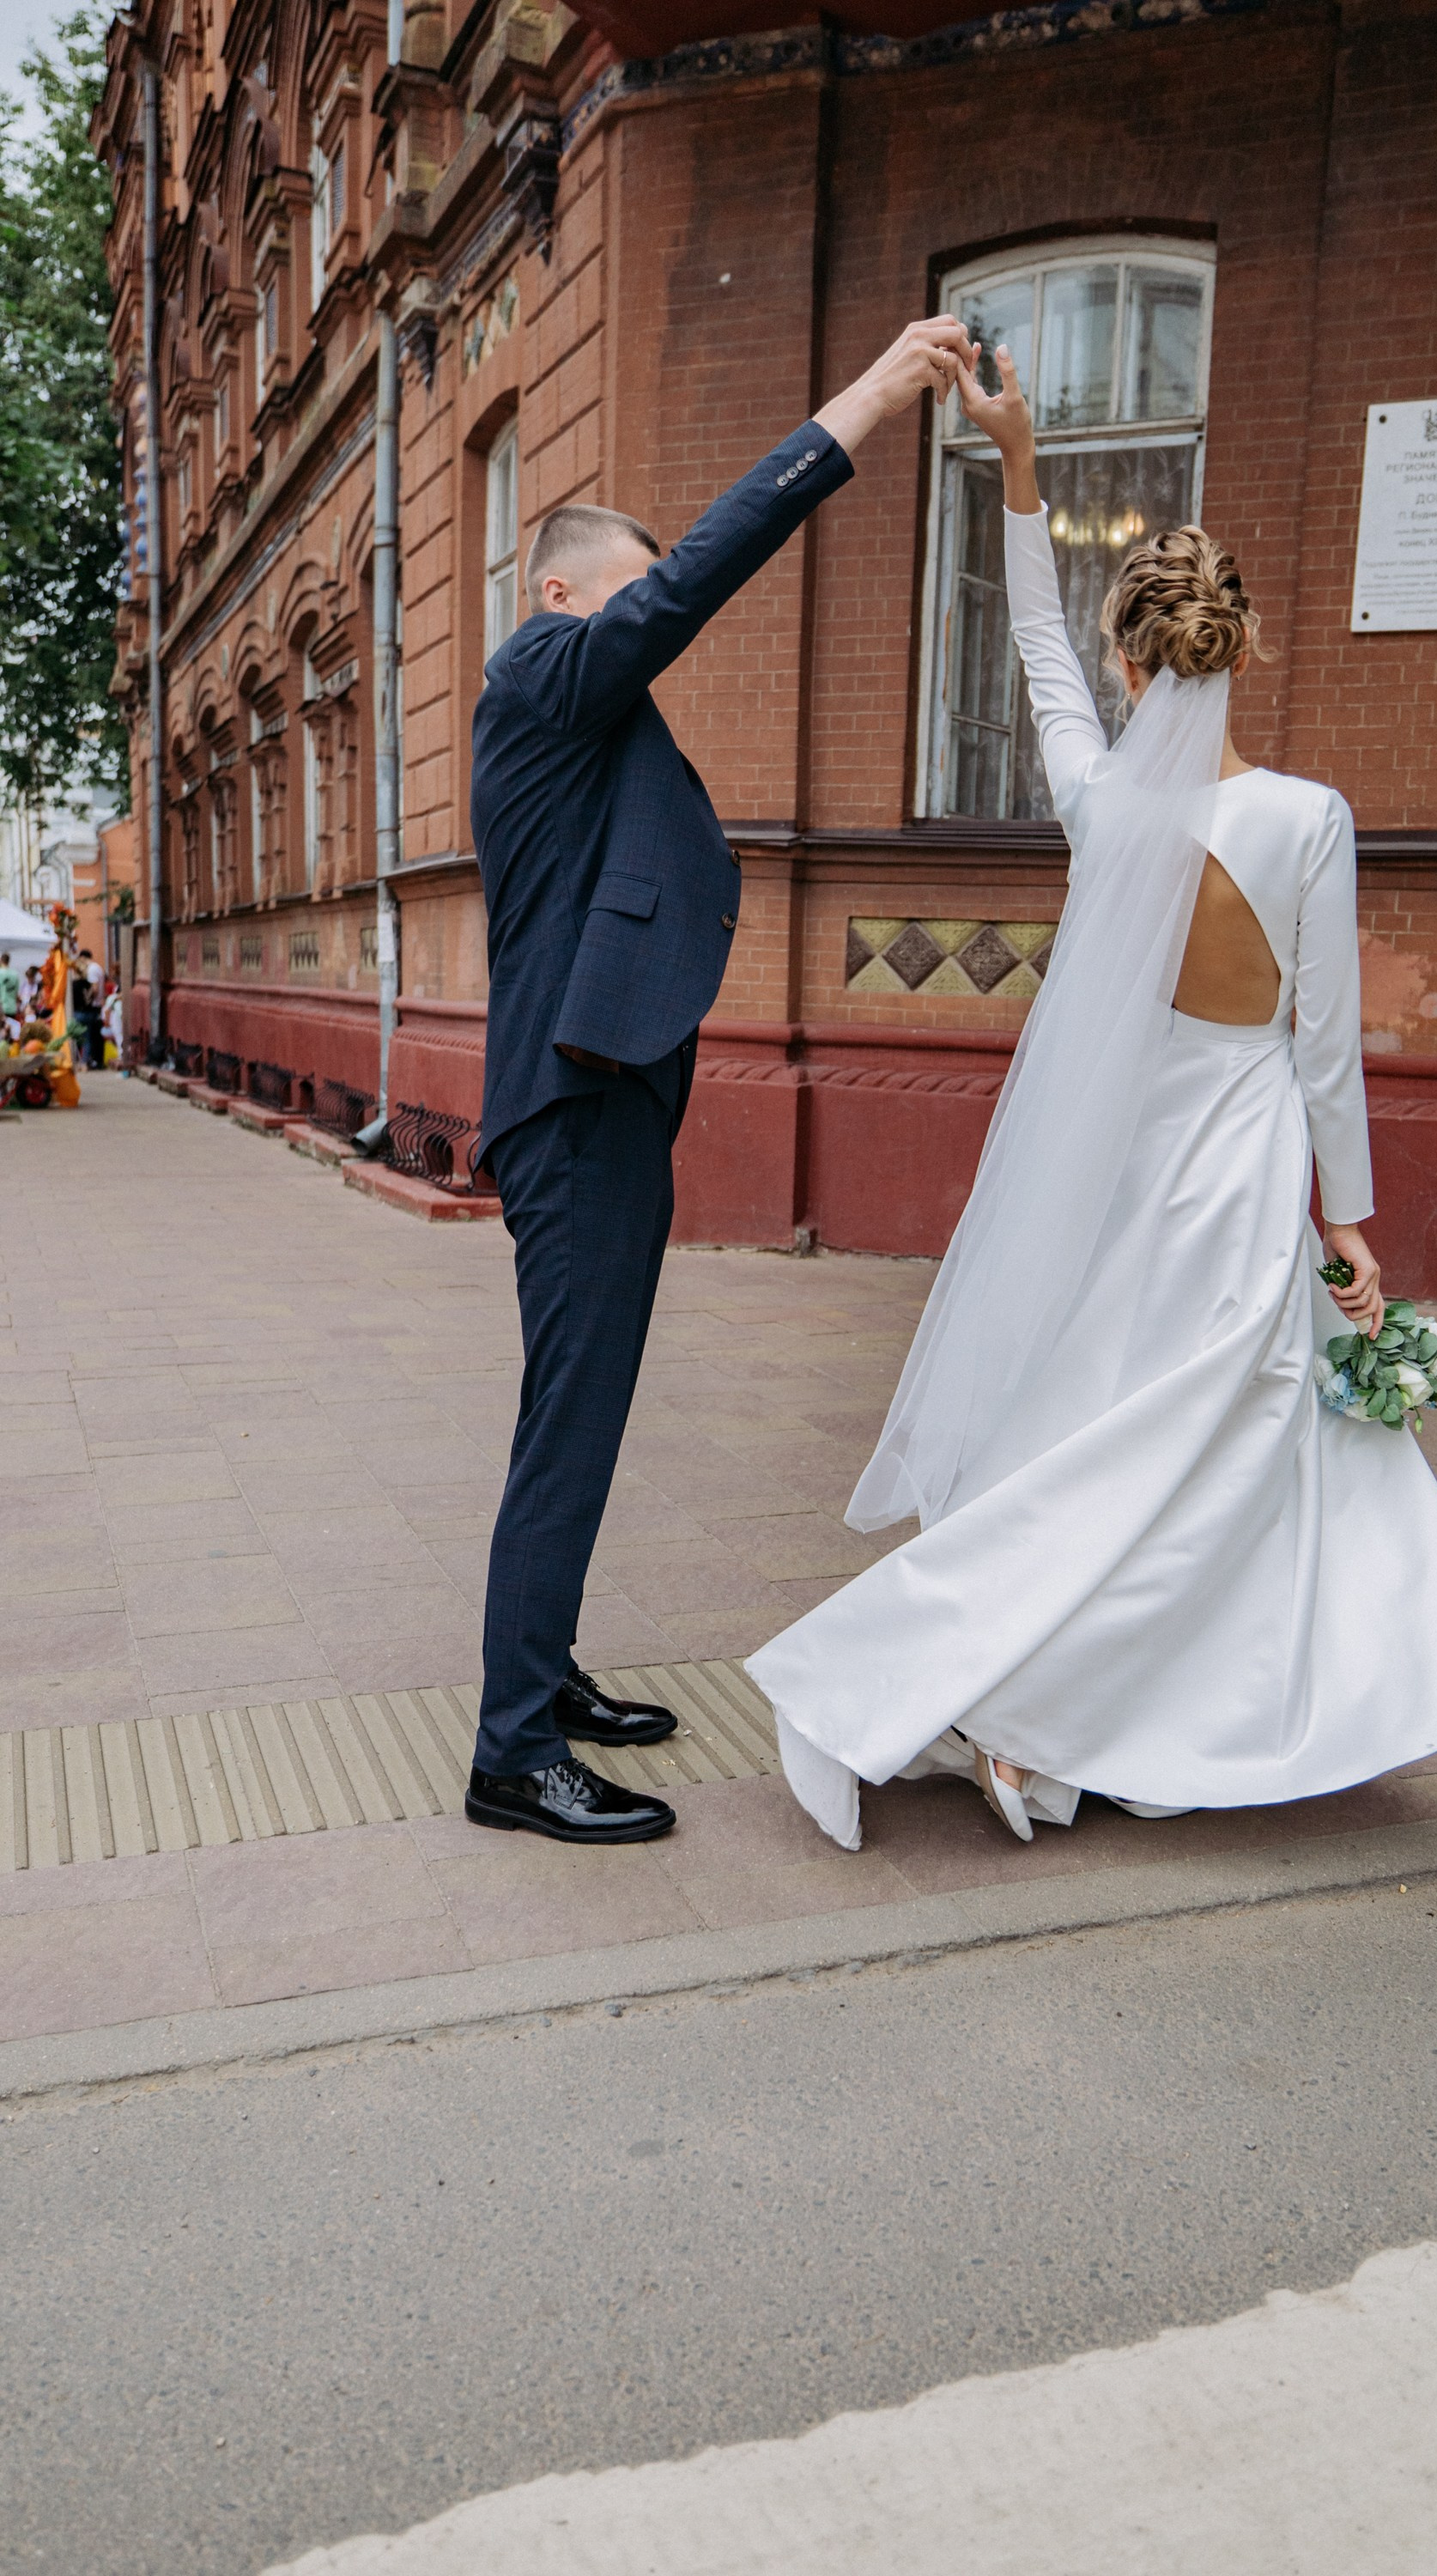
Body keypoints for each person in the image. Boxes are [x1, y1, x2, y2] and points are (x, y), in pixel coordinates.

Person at [749, 345, 1437, 1850]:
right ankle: (1093, 1717)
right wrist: (1353, 1222)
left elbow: (1034, 651)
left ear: (1133, 666)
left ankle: (1030, 1707)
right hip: (1242, 1174)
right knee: (1216, 1455)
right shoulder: (1310, 819)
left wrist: (1021, 468)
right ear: (1238, 655)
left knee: (1100, 1437)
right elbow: (1322, 1047)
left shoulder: (1103, 811)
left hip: (1123, 1170)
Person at [465, 314, 976, 1849]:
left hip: (600, 1097)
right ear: (565, 596)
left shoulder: (573, 713)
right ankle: (510, 1753)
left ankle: (540, 1680)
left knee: (585, 1407)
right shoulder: (547, 669)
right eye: (633, 585)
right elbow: (695, 581)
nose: (651, 611)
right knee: (572, 1416)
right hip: (575, 1106)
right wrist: (874, 400)